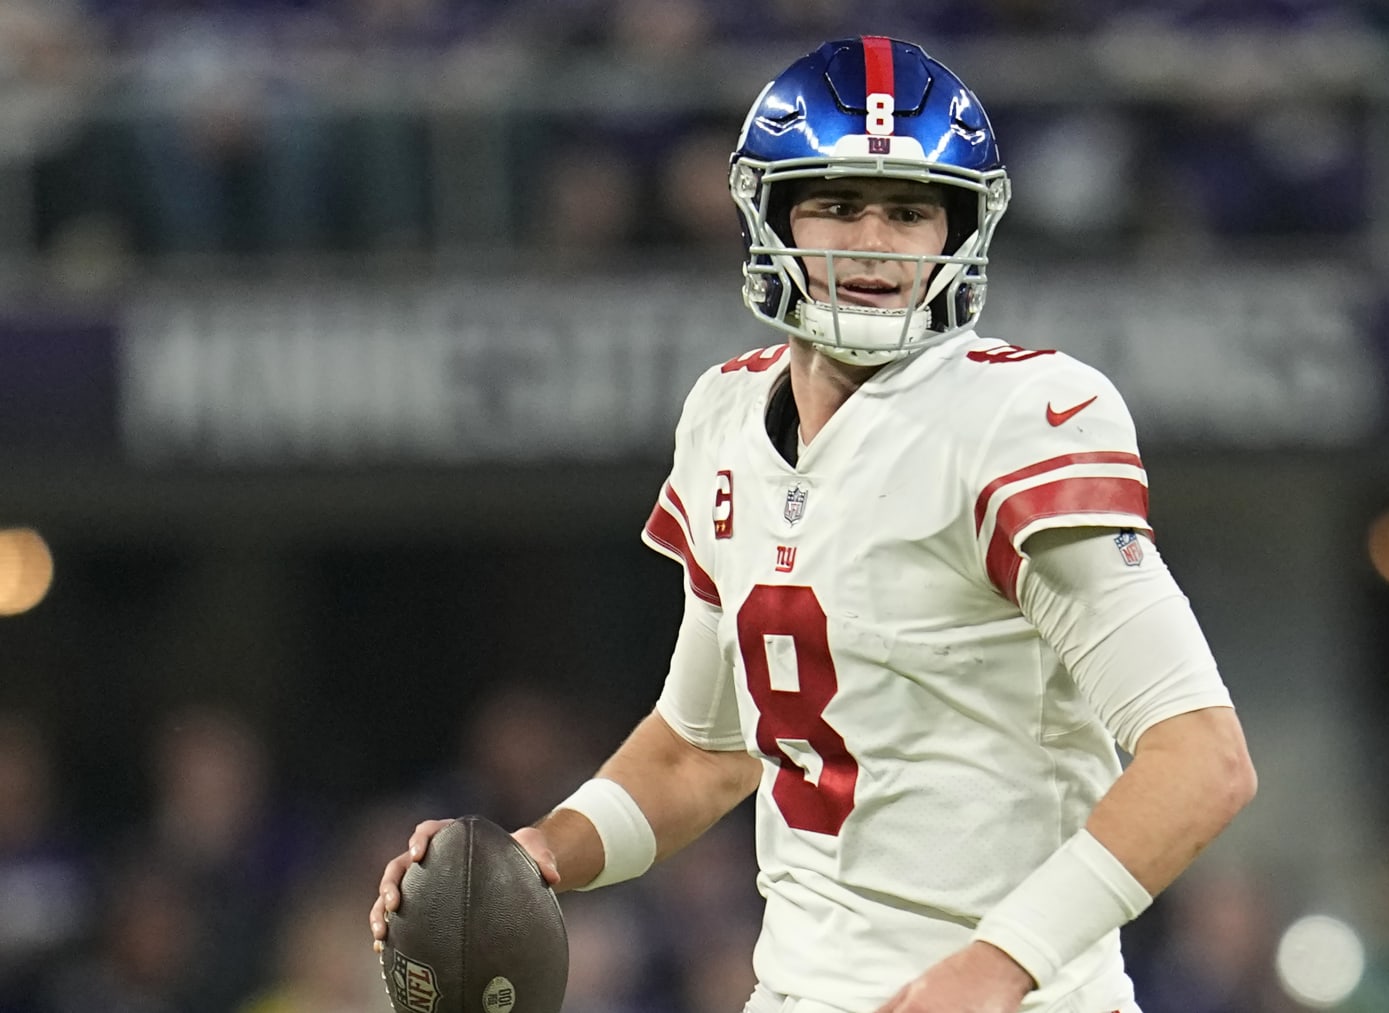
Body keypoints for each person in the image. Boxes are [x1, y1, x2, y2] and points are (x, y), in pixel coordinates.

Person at [373, 36, 1257, 1013]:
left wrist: (994, 966)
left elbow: (1202, 757)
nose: (874, 239)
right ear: (771, 215)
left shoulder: (1021, 419)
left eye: (910, 210)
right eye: (838, 204)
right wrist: (544, 851)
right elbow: (703, 751)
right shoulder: (725, 416)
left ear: (957, 231)